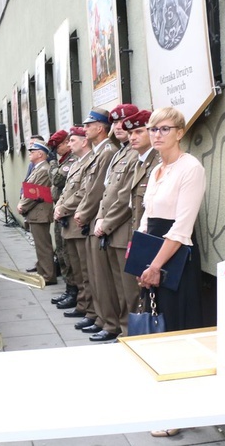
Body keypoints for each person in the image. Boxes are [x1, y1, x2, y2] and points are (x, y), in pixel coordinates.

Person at [137, 106, 206, 331]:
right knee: (155, 319)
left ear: (180, 133)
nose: (157, 134)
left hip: (176, 255)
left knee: (174, 321)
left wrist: (156, 266)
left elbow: (182, 227)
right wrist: (141, 260)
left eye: (165, 129)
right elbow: (147, 214)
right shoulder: (157, 169)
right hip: (153, 249)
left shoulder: (190, 168)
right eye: (153, 129)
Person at [93, 104, 140, 337]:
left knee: (130, 289)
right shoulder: (121, 152)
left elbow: (125, 199)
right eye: (115, 123)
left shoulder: (133, 154)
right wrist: (101, 217)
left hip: (123, 230)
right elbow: (107, 191)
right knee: (119, 286)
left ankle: (130, 332)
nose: (119, 127)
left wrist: (106, 222)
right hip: (111, 229)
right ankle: (122, 330)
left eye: (125, 122)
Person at [74, 108, 120, 342]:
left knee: (102, 277)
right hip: (93, 218)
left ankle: (110, 322)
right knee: (93, 274)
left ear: (100, 127)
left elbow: (97, 190)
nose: (85, 129)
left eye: (89, 125)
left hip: (98, 218)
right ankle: (101, 318)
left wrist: (83, 212)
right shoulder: (97, 152)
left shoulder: (107, 151)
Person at [54, 127, 96, 323]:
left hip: (79, 221)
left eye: (72, 141)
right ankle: (82, 305)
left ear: (84, 142)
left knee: (85, 270)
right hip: (69, 222)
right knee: (75, 268)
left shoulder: (90, 161)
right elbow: (66, 190)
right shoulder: (77, 163)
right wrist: (61, 205)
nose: (68, 145)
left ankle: (89, 309)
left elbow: (84, 193)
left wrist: (63, 208)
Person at [17, 140, 57, 285]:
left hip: (40, 212)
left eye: (32, 152)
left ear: (40, 154)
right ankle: (43, 272)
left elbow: (35, 193)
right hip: (36, 213)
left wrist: (22, 205)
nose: (30, 154)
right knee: (40, 246)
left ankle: (48, 275)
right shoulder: (37, 168)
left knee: (43, 246)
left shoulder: (43, 169)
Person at [46, 129, 75, 306]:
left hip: (68, 212)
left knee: (68, 253)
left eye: (58, 147)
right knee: (61, 252)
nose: (56, 151)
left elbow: (56, 179)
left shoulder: (71, 160)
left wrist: (52, 163)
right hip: (59, 209)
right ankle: (69, 288)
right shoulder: (63, 160)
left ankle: (74, 291)